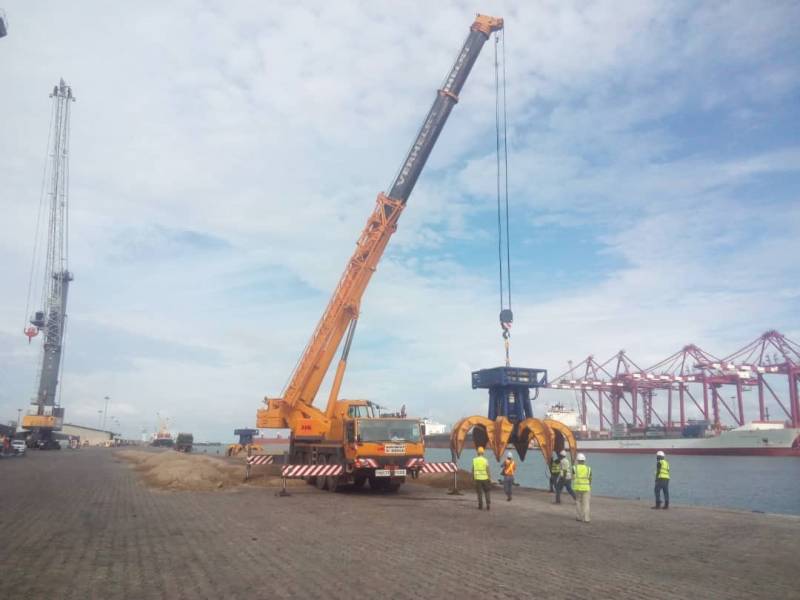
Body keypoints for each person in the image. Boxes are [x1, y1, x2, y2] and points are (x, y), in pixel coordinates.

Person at [573, 453, 592, 522]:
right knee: (586, 503)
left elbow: (573, 477)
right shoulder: (588, 468)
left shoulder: (574, 468)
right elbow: (590, 479)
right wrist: (589, 485)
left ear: (578, 460)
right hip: (586, 488)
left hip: (577, 488)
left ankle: (579, 517)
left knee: (578, 502)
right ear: (584, 461)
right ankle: (587, 518)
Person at [472, 446, 492, 510]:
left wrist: (473, 478)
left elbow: (473, 470)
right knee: (487, 491)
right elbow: (487, 470)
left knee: (479, 493)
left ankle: (480, 506)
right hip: (485, 478)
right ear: (483, 452)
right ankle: (488, 504)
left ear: (477, 453)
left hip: (478, 479)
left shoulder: (474, 460)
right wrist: (489, 478)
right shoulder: (485, 460)